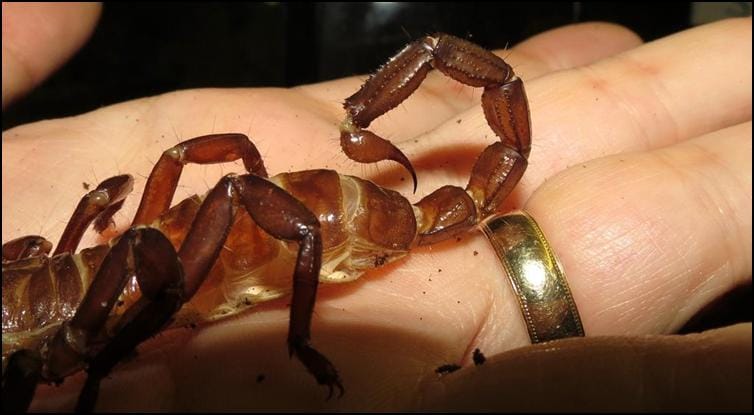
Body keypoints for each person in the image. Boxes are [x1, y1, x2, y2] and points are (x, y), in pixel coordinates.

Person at [2, 3, 751, 411]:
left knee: (158, 240)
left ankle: (294, 334)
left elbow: (131, 236)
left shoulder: (55, 335)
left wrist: (90, 360)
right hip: (226, 228)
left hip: (255, 233)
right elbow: (63, 232)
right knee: (181, 215)